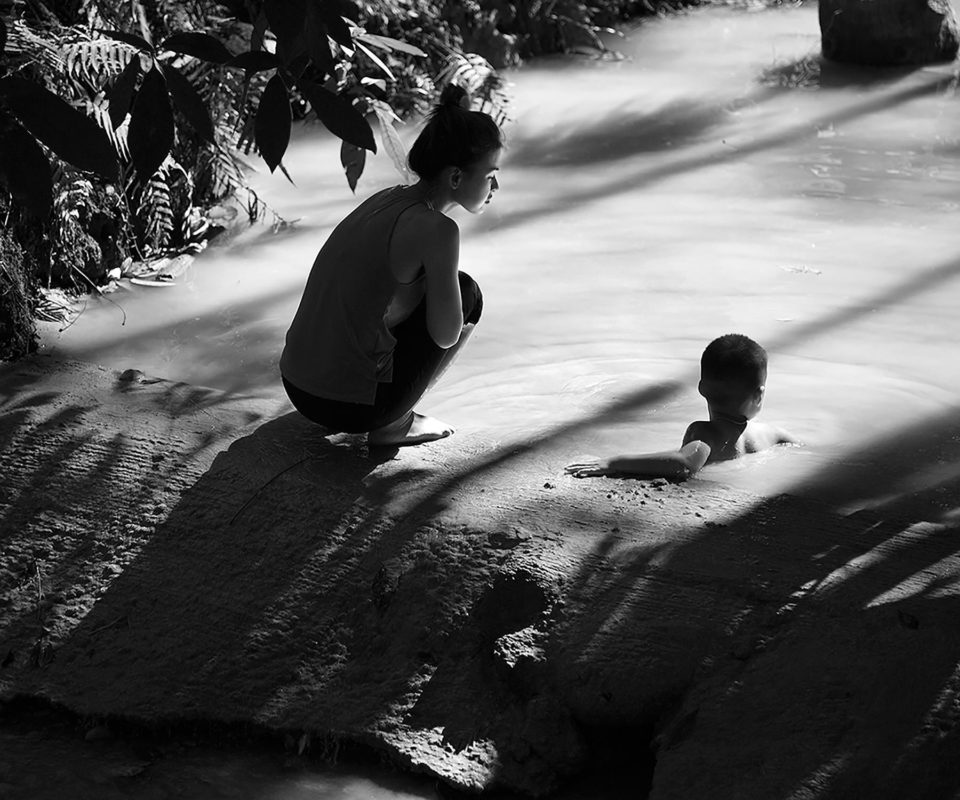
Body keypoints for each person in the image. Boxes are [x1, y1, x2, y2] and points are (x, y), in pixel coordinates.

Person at [279, 84, 503, 446]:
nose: (497, 186)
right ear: (457, 177)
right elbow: (446, 334)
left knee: (423, 290)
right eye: (491, 175)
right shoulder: (439, 230)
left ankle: (383, 405)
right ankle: (395, 422)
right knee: (467, 293)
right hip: (350, 409)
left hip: (297, 389)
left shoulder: (385, 199)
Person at [565, 334, 799, 481]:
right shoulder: (772, 433)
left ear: (702, 388)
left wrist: (614, 462)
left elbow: (685, 464)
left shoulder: (707, 433)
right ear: (759, 395)